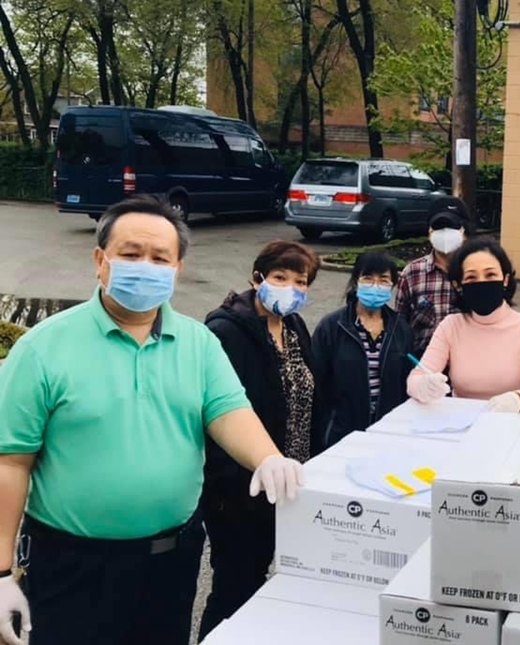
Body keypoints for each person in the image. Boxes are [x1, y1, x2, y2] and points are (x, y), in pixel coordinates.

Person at [0, 196, 304, 645]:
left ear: (177, 270)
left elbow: (228, 411)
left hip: (170, 563)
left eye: (160, 258)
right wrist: (1, 573)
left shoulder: (199, 343)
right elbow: (11, 462)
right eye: (131, 253)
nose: (146, 266)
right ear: (100, 260)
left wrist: (268, 457)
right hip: (71, 565)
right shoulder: (43, 348)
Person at [198, 240, 321, 640]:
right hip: (241, 488)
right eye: (280, 277)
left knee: (270, 584)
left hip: (289, 483)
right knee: (235, 585)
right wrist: (230, 482)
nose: (290, 288)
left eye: (300, 281)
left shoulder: (294, 327)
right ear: (257, 278)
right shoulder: (225, 332)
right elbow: (216, 414)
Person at [407, 237, 520, 413]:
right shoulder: (451, 326)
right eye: (471, 277)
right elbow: (415, 378)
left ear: (505, 279)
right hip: (459, 421)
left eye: (490, 275)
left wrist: (518, 399)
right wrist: (423, 386)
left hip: (513, 419)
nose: (482, 282)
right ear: (458, 285)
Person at [311, 252, 413, 452]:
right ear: (356, 281)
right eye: (368, 278)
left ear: (392, 285)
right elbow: (317, 383)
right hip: (341, 433)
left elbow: (405, 381)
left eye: (383, 280)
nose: (375, 286)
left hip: (388, 433)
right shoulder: (332, 327)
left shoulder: (400, 328)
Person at [396, 198, 470, 356]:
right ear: (429, 232)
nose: (445, 233)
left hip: (467, 360)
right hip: (422, 361)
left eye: (451, 227)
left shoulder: (476, 272)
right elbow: (400, 325)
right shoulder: (412, 272)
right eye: (438, 227)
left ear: (464, 232)